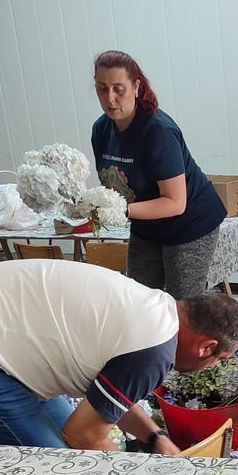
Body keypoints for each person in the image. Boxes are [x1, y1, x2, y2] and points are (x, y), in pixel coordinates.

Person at [0, 259, 238, 451]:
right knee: (60, 465)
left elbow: (105, 405)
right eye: (218, 360)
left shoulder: (155, 313)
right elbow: (85, 436)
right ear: (207, 347)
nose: (210, 366)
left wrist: (156, 439)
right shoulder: (155, 350)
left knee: (72, 438)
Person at [91, 50, 226, 299]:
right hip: (146, 226)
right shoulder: (101, 130)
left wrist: (121, 211)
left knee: (181, 306)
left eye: (118, 89)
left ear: (136, 87)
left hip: (189, 223)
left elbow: (175, 202)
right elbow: (114, 185)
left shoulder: (158, 132)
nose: (109, 98)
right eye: (102, 88)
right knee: (139, 300)